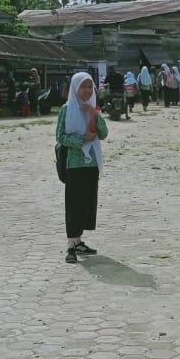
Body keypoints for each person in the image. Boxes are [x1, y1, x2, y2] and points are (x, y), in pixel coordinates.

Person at [56, 71, 108, 264]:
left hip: (92, 163)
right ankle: (71, 245)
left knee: (87, 203)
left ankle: (79, 241)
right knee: (74, 204)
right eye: (83, 87)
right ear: (75, 89)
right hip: (74, 164)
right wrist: (81, 140)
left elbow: (103, 134)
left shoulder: (93, 108)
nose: (86, 90)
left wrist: (94, 114)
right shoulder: (66, 109)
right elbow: (60, 136)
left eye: (89, 86)